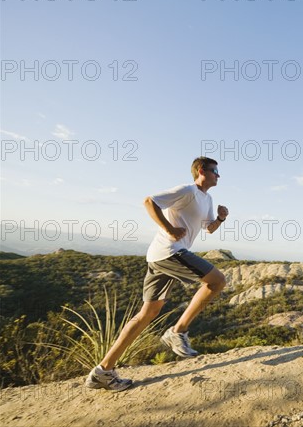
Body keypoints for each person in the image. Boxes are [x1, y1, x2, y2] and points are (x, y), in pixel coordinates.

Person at [85, 156, 228, 391]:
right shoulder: (187, 190)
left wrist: (220, 218)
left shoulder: (207, 198)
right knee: (217, 281)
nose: (218, 175)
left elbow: (208, 228)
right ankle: (177, 331)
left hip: (158, 256)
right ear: (201, 170)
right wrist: (169, 228)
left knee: (147, 313)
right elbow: (150, 201)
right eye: (215, 170)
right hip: (170, 251)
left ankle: (103, 371)